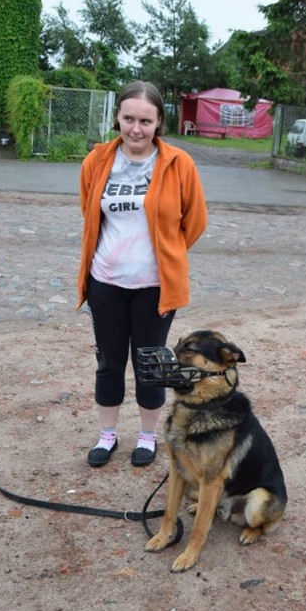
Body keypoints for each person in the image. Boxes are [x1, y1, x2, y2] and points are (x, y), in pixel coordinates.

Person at [77, 81, 207, 468]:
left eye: (145, 120)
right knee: (109, 362)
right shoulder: (96, 162)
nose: (136, 128)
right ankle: (108, 435)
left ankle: (148, 437)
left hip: (154, 287)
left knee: (150, 364)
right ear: (117, 117)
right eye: (128, 118)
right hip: (105, 283)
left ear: (159, 122)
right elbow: (90, 212)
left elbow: (195, 222)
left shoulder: (178, 164)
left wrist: (163, 255)